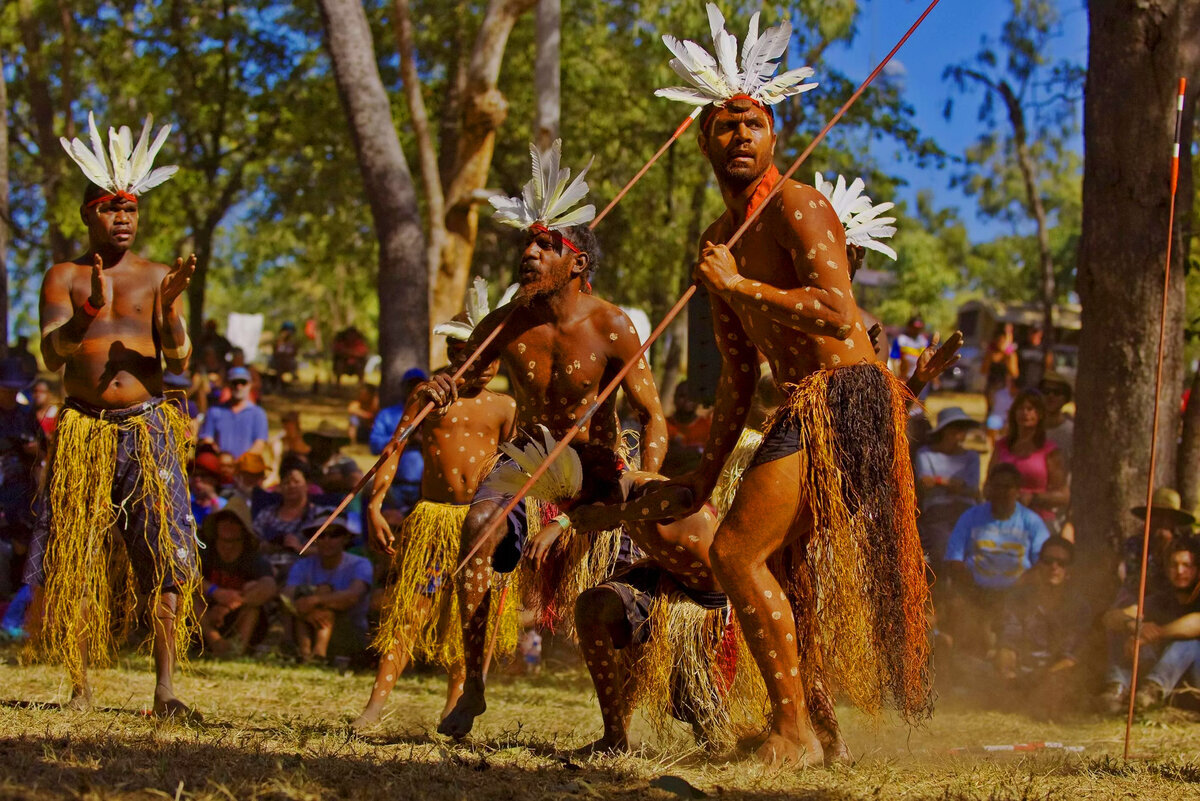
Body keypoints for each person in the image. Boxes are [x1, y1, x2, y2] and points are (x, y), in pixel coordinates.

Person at [649, 15, 946, 763]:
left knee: (737, 556)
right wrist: (702, 476)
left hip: (845, 396)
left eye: (752, 122)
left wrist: (738, 282)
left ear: (774, 132)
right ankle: (821, 727)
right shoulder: (720, 243)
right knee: (774, 563)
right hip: (805, 404)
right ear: (703, 142)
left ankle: (794, 732)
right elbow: (737, 379)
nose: (739, 136)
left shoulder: (800, 205)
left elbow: (836, 309)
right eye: (724, 126)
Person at [411, 139, 667, 740]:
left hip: (596, 465)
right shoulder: (508, 320)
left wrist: (646, 483)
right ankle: (473, 685)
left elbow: (651, 415)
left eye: (545, 245)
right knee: (476, 532)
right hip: (526, 459)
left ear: (576, 262)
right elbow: (469, 376)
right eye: (527, 242)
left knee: (609, 605)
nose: (528, 253)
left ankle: (615, 729)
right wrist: (445, 387)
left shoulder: (612, 325)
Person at [26, 114, 199, 716]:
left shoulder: (157, 277)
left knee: (167, 554)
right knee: (77, 554)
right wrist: (86, 314)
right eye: (108, 208)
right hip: (85, 431)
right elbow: (53, 354)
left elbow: (178, 360)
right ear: (87, 214)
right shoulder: (65, 276)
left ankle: (165, 688)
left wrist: (172, 308)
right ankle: (80, 686)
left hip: (149, 430)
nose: (121, 219)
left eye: (129, 210)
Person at [354, 300, 517, 731]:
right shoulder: (427, 400)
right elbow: (394, 448)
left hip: (480, 525)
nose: (481, 366)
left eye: (491, 357)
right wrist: (374, 504)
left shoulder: (505, 408)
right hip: (432, 520)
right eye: (470, 356)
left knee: (469, 621)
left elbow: (517, 468)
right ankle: (375, 706)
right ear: (452, 355)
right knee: (410, 613)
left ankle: (454, 710)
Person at [943, 464, 1051, 659]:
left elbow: (1043, 563)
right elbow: (954, 559)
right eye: (997, 486)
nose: (1001, 492)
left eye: (1007, 487)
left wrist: (1016, 588)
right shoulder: (970, 517)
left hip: (1018, 594)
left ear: (1018, 491)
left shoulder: (1031, 521)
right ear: (989, 488)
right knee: (957, 608)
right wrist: (972, 589)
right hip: (976, 593)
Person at [994, 536, 1089, 719]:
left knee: (1060, 684)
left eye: (1062, 563)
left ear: (1069, 571)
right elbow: (1008, 642)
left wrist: (1040, 679)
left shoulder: (1079, 607)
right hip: (1022, 673)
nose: (1054, 567)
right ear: (1039, 565)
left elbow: (1070, 658)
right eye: (1048, 561)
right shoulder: (1018, 599)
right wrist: (1007, 671)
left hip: (1055, 675)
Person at [1101, 540, 1200, 713]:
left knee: (1189, 643)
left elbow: (1196, 622)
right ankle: (1116, 690)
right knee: (1122, 628)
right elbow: (1111, 617)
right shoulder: (1161, 600)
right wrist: (1133, 626)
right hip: (1169, 680)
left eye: (1187, 565)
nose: (1180, 571)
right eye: (1173, 565)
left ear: (1197, 570)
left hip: (1194, 682)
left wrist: (1156, 633)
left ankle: (1151, 691)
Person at [282, 515, 372, 663]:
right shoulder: (302, 565)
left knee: (323, 606)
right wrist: (307, 613)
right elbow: (286, 595)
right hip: (307, 626)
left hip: (350, 633)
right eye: (321, 535)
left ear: (345, 538)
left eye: (334, 534)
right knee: (301, 601)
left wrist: (313, 601)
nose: (327, 540)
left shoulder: (360, 564)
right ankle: (309, 655)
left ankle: (315, 655)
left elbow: (353, 596)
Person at [197, 496, 278, 657]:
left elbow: (269, 587)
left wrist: (231, 604)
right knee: (191, 597)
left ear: (243, 528)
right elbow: (186, 576)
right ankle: (216, 643)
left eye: (234, 521)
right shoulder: (205, 550)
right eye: (223, 519)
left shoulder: (252, 557)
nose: (227, 524)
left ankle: (236, 650)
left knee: (253, 604)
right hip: (204, 619)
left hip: (235, 617)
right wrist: (215, 592)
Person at [914, 407, 982, 568]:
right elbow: (925, 483)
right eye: (956, 427)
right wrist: (955, 484)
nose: (961, 432)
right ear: (945, 430)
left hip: (965, 511)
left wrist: (938, 481)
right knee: (942, 550)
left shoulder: (972, 456)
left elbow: (973, 489)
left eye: (963, 427)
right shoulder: (926, 454)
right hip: (937, 512)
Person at [993, 390, 1069, 527]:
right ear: (1014, 413)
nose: (1025, 413)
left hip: (1038, 520)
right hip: (1001, 518)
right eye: (1020, 408)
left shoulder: (1050, 451)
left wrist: (1033, 498)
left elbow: (1063, 496)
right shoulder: (1001, 446)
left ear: (1039, 414)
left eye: (1030, 409)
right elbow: (987, 486)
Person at [0, 360, 40, 597]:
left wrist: (33, 449)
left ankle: (14, 603)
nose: (10, 395)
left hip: (20, 489)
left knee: (21, 543)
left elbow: (43, 448)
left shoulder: (26, 415)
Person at [1118, 487, 1196, 597]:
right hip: (1141, 601)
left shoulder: (1185, 544)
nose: (1162, 521)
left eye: (1168, 517)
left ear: (1174, 521)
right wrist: (1155, 553)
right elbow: (1132, 583)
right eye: (1156, 515)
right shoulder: (1134, 544)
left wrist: (1167, 553)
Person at [254, 463, 320, 579]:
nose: (291, 486)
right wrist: (264, 546)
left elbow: (332, 549)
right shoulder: (267, 513)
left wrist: (300, 548)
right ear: (280, 487)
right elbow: (250, 541)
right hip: (266, 571)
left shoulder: (318, 515)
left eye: (296, 482)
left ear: (307, 485)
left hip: (303, 571)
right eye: (286, 482)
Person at [199, 366, 268, 459]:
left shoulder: (258, 414)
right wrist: (223, 459)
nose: (239, 386)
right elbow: (207, 439)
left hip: (245, 468)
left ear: (250, 384)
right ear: (228, 385)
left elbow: (260, 444)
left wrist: (239, 463)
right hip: (220, 466)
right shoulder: (214, 411)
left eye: (243, 382)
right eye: (234, 383)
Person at [661, 381, 712, 477]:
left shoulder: (707, 426)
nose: (687, 400)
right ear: (674, 398)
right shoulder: (664, 425)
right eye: (682, 396)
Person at [1039, 372, 1074, 465]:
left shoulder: (1072, 432)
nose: (1051, 396)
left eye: (1057, 392)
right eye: (1046, 391)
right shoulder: (1028, 428)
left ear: (1066, 397)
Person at [889, 315, 929, 382]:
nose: (917, 330)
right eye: (915, 328)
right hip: (904, 378)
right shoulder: (901, 340)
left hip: (920, 379)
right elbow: (894, 360)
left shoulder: (924, 342)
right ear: (909, 327)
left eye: (919, 328)